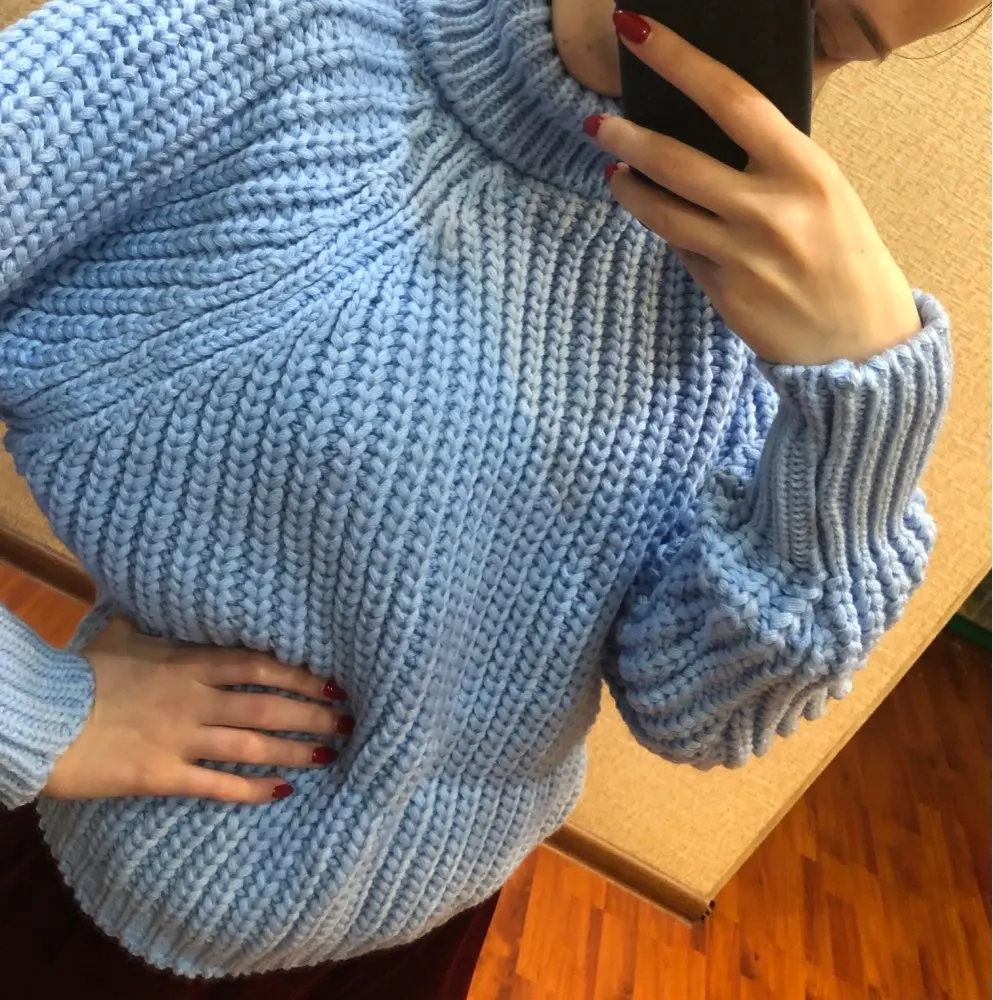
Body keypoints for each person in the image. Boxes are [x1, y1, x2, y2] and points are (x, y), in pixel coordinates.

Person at [0, 0, 984, 995]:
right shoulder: (266, 40)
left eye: (826, 42)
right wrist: (38, 712)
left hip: (431, 924)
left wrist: (862, 425)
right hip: (129, 907)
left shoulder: (738, 270)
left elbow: (693, 706)